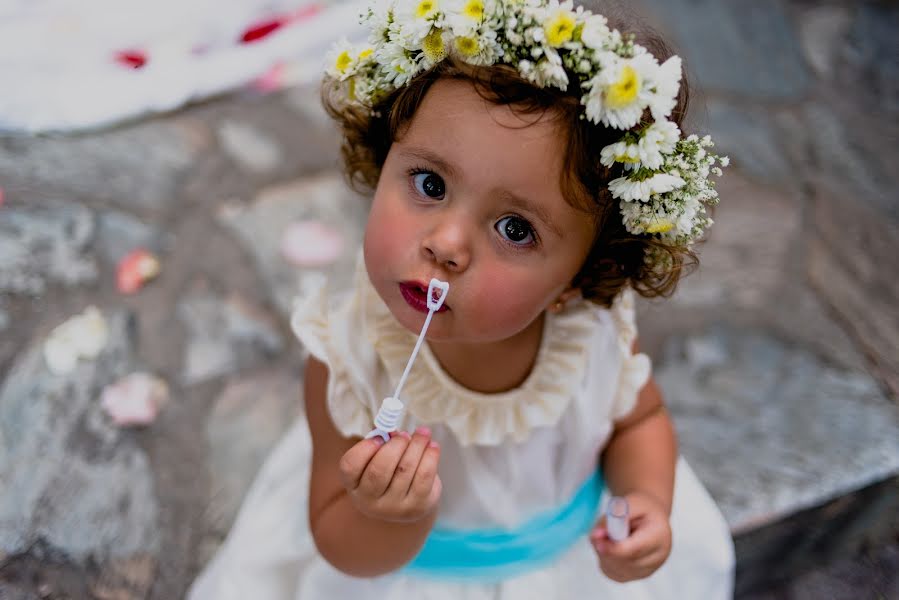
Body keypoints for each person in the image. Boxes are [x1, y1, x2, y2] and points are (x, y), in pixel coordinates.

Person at [189, 0, 735, 598]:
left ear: (579, 277)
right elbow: (339, 542)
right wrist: (388, 513)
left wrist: (645, 501)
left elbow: (639, 421)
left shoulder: (591, 335)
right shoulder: (350, 363)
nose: (447, 245)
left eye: (516, 229)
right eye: (430, 184)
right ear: (385, 151)